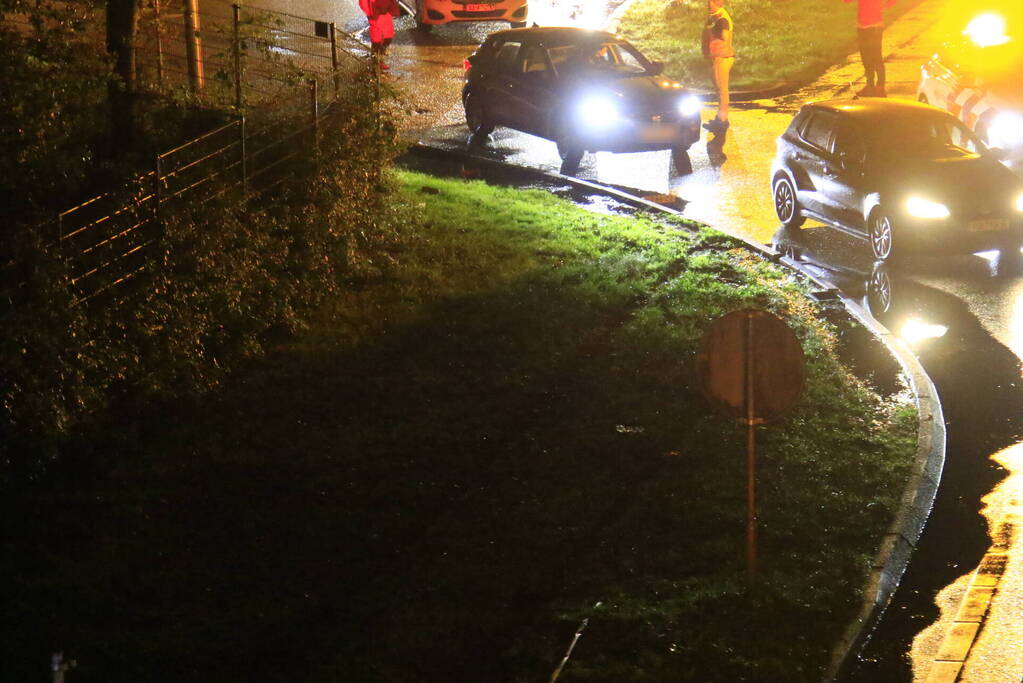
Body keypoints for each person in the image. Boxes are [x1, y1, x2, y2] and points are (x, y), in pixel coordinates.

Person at [845, 0, 896, 97]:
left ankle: (880, 87)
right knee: (866, 57)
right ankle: (870, 86)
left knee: (876, 57)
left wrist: (885, 5)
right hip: (862, 25)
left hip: (874, 26)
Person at [701, 0, 735, 134]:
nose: (709, 6)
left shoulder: (722, 20)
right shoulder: (715, 18)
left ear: (719, 4)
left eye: (711, 3)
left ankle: (722, 120)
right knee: (719, 90)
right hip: (717, 58)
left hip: (723, 58)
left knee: (722, 91)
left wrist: (713, 31)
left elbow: (724, 37)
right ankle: (720, 118)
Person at [359, 0, 401, 71]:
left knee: (388, 38)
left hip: (387, 14)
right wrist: (370, 13)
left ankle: (380, 55)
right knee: (376, 41)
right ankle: (376, 62)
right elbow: (363, 2)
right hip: (376, 16)